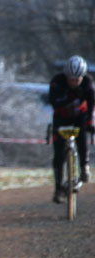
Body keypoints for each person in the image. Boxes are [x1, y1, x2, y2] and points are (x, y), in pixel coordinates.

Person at [48, 55, 95, 204]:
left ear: (82, 76)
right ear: (66, 76)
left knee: (82, 135)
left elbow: (92, 106)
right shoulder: (57, 82)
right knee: (59, 153)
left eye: (77, 79)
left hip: (80, 117)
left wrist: (91, 123)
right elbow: (54, 102)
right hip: (61, 117)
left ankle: (84, 165)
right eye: (71, 79)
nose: (74, 82)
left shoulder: (88, 83)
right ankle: (58, 187)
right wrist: (69, 97)